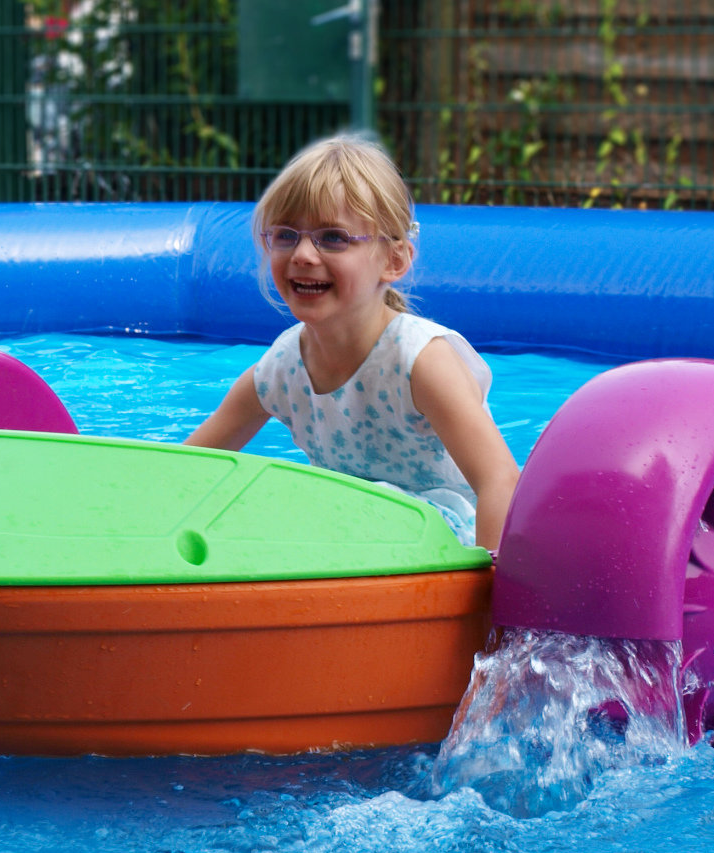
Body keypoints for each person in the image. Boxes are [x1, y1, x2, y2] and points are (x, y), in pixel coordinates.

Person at [184, 134, 521, 551]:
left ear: (394, 260)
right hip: (346, 539)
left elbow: (499, 480)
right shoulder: (281, 370)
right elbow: (188, 468)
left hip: (441, 544)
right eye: (286, 235)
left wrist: (486, 597)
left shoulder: (420, 361)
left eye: (333, 238)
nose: (304, 254)